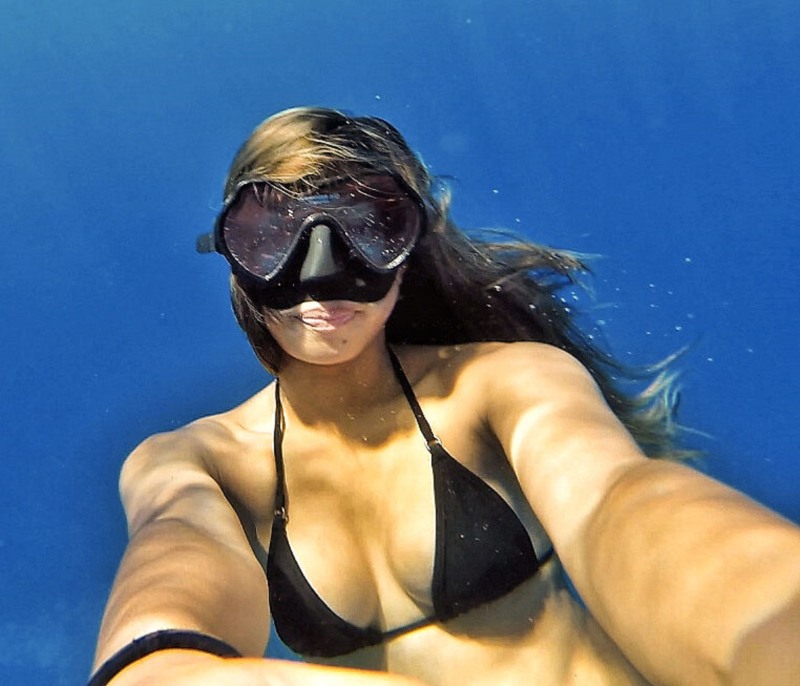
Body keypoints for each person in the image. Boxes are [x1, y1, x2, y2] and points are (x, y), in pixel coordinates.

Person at [90, 107, 800, 686]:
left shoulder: (503, 382)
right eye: (273, 234)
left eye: (370, 228)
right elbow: (163, 616)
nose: (322, 272)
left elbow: (619, 504)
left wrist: (771, 622)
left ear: (409, 251)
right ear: (236, 258)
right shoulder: (192, 462)